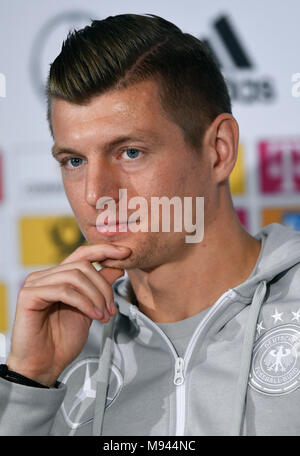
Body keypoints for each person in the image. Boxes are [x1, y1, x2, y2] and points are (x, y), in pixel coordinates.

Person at [1, 13, 300, 437]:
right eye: (74, 161)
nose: (94, 193)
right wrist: (29, 382)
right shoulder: (56, 355)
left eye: (130, 152)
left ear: (218, 150)